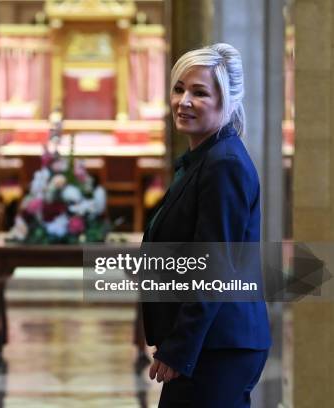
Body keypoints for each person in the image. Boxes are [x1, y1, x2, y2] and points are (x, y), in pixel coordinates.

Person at [141, 43, 271, 407]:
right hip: (210, 342)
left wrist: (180, 348)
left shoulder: (223, 164)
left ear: (226, 100)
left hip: (217, 345)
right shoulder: (205, 158)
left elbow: (214, 265)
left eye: (199, 92)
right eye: (179, 88)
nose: (184, 100)